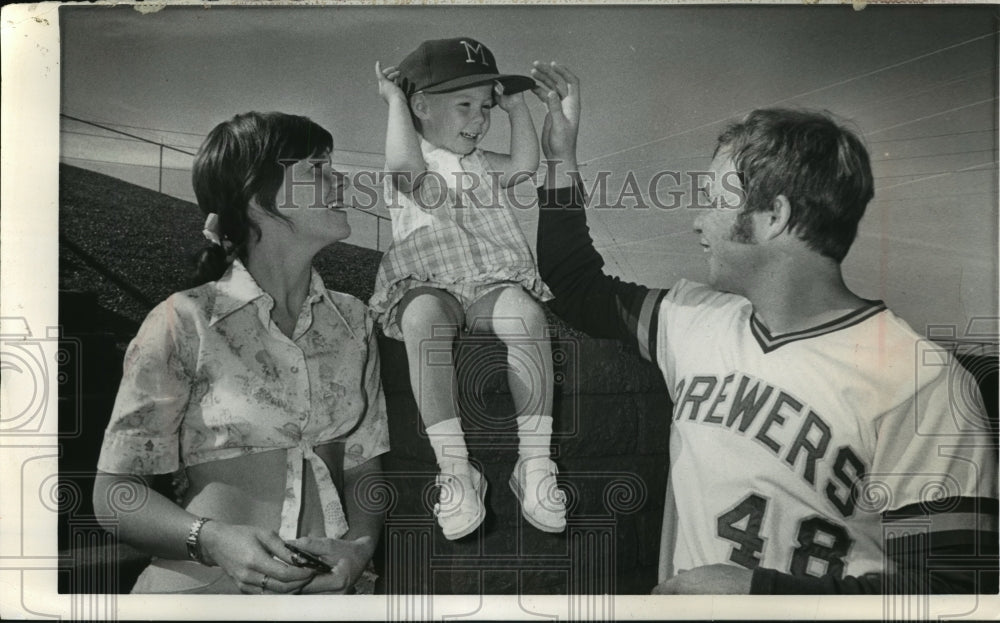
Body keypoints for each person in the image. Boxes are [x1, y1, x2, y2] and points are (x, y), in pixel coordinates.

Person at [529, 63, 998, 593]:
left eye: (714, 199)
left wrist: (756, 594)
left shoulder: (924, 381)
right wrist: (559, 159)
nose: (697, 221)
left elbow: (956, 596)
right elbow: (575, 283)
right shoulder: (691, 321)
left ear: (773, 216)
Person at [92, 112, 390, 594]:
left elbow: (363, 467)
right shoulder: (183, 320)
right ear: (258, 196)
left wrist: (359, 549)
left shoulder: (355, 322)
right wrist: (212, 540)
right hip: (207, 592)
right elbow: (115, 496)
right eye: (317, 168)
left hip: (334, 598)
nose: (341, 180)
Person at [369, 37, 566, 539]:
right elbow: (404, 169)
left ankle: (535, 461)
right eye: (464, 105)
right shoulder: (414, 160)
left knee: (527, 318)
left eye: (486, 106)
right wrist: (394, 102)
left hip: (488, 281)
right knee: (422, 322)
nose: (479, 120)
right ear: (420, 106)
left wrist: (517, 107)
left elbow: (525, 166)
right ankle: (455, 468)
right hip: (430, 280)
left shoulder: (481, 164)